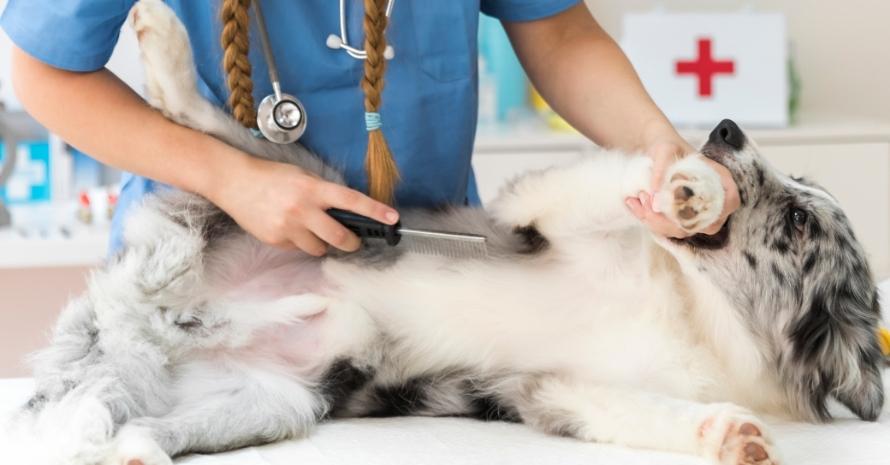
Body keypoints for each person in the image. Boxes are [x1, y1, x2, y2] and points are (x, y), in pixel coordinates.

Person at [1, 0, 739, 256]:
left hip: (421, 261)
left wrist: (657, 144)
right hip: (210, 261)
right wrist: (232, 178)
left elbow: (561, 34)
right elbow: (44, 71)